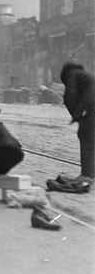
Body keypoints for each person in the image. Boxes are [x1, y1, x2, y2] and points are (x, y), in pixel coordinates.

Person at [51, 62, 94, 192]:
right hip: (90, 105)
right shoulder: (84, 75)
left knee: (86, 136)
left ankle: (87, 175)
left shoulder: (71, 75)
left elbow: (70, 96)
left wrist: (77, 115)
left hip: (91, 107)